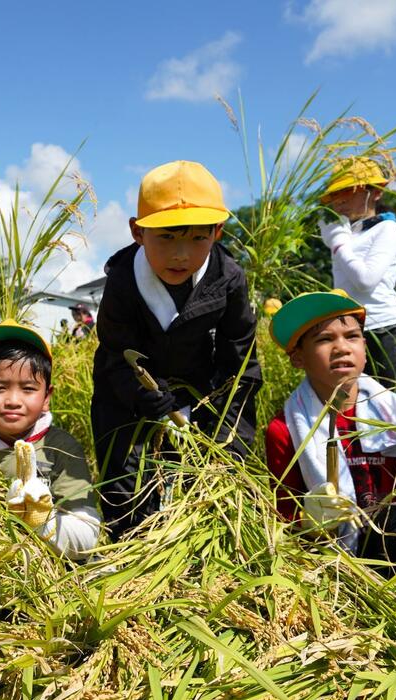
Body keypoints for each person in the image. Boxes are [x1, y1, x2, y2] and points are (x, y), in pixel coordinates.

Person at [91, 160, 262, 541]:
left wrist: (227, 446)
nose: (181, 255)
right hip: (125, 398)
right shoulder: (122, 281)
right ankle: (130, 565)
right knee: (127, 494)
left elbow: (240, 367)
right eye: (166, 237)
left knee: (202, 497)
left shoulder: (229, 280)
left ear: (217, 232)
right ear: (137, 232)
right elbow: (117, 353)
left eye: (197, 238)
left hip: (201, 397)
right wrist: (140, 396)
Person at [266, 291, 396, 578]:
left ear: (365, 346)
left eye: (352, 336)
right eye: (324, 339)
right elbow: (285, 512)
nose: (342, 348)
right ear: (298, 358)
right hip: (334, 560)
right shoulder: (285, 429)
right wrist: (309, 520)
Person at [0, 321, 100, 560]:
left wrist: (42, 523)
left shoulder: (62, 447)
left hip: (46, 565)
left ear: (47, 397)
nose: (13, 400)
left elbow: (87, 537)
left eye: (28, 388)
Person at [319, 158, 396, 405]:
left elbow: (365, 280)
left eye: (348, 191)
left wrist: (338, 243)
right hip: (351, 333)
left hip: (387, 333)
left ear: (375, 192)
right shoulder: (346, 233)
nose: (340, 200)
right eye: (335, 194)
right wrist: (339, 239)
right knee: (358, 414)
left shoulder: (387, 229)